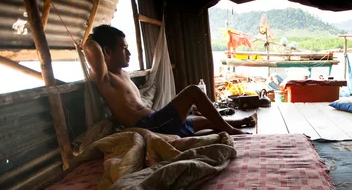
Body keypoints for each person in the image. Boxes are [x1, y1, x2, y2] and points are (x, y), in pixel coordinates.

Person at [83, 24, 250, 137]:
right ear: (107, 51)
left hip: (158, 121)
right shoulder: (104, 78)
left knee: (207, 120)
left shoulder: (123, 74)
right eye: (124, 48)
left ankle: (236, 122)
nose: (129, 53)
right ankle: (231, 129)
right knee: (193, 91)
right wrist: (93, 38)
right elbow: (90, 47)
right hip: (150, 126)